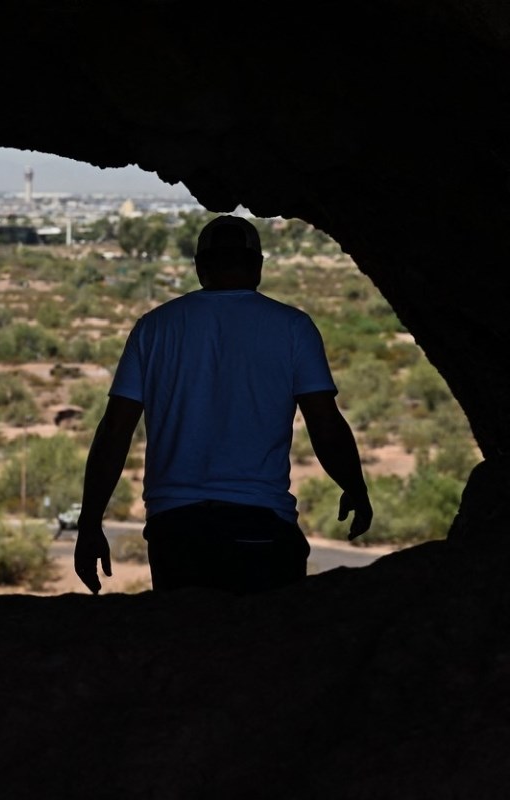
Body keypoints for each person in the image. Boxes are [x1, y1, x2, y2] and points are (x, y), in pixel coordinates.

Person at [75, 215, 373, 595]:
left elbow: (115, 430)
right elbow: (325, 424)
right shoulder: (293, 327)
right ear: (258, 266)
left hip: (175, 528)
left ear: (200, 267)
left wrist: (89, 523)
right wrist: (354, 486)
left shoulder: (153, 328)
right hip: (262, 525)